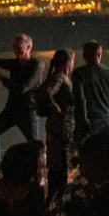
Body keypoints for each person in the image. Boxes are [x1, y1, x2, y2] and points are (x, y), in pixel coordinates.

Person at [0, 34, 44, 175]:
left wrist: (1, 77)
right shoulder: (15, 64)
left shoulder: (37, 65)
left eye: (19, 47)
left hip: (28, 111)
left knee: (34, 145)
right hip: (11, 109)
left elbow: (23, 88)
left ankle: (38, 173)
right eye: (14, 47)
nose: (16, 51)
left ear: (29, 47)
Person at [36, 49, 75, 198]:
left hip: (61, 127)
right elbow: (46, 92)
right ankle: (56, 197)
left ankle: (56, 195)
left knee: (59, 164)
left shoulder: (57, 76)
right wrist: (56, 107)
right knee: (59, 165)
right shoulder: (59, 77)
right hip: (60, 127)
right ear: (68, 63)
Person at [71, 40, 109, 144]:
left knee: (86, 151)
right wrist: (107, 113)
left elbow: (79, 100)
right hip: (106, 121)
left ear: (84, 55)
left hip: (87, 123)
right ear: (100, 54)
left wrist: (83, 121)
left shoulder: (79, 73)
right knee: (105, 151)